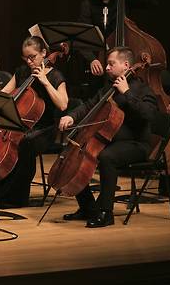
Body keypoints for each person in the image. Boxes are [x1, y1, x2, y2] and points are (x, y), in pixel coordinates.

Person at [59, 47, 157, 227]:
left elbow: (149, 116)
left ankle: (106, 212)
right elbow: (89, 106)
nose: (106, 68)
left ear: (126, 65)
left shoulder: (143, 89)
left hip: (136, 144)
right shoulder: (108, 88)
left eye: (111, 64)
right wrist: (71, 116)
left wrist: (127, 93)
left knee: (106, 157)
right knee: (78, 152)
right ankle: (88, 207)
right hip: (110, 140)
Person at [0, 36, 68, 207]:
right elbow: (3, 97)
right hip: (17, 126)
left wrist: (45, 82)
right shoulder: (21, 72)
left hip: (44, 129)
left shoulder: (55, 75)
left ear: (44, 53)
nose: (29, 61)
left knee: (25, 143)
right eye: (25, 57)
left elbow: (63, 104)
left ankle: (13, 197)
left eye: (33, 57)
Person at [78, 0, 157, 79]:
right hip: (103, 61)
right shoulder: (87, 5)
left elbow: (153, 5)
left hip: (130, 54)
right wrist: (92, 59)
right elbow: (83, 37)